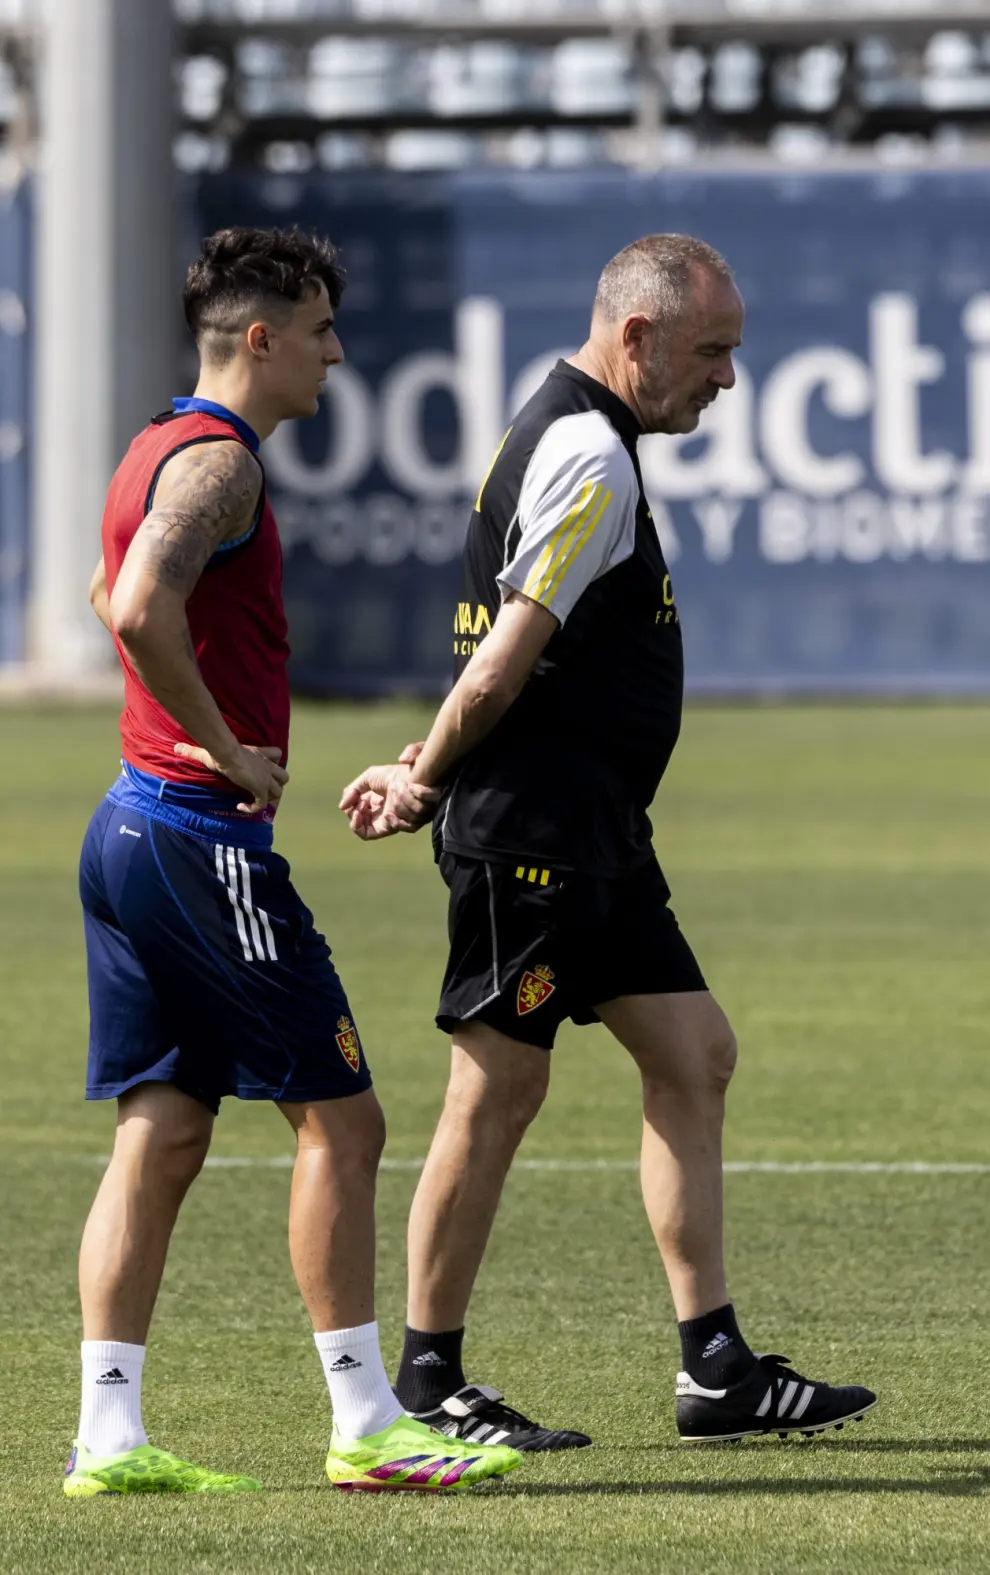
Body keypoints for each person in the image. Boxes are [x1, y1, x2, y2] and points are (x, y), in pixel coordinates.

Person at [340, 234, 877, 1450]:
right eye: (713, 351)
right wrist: (424, 777)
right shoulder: (588, 453)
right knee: (498, 1090)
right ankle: (427, 1385)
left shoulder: (571, 427)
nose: (729, 379)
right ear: (636, 337)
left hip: (595, 838)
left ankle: (717, 1369)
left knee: (694, 1055)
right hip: (530, 841)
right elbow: (503, 655)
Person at [66, 226, 520, 1497]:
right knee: (347, 1123)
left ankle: (108, 1435)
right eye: (320, 330)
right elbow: (145, 605)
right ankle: (369, 1423)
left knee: (158, 1136)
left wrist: (175, 728)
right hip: (196, 834)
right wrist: (223, 747)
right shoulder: (220, 464)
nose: (336, 353)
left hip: (124, 828)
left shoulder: (154, 444)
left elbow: (106, 593)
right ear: (259, 339)